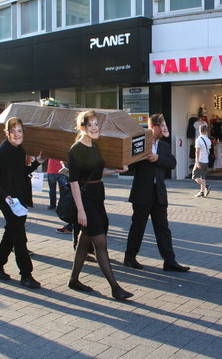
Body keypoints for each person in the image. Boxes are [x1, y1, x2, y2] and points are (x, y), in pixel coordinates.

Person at [66, 110, 133, 300]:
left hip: (98, 199)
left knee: (84, 241)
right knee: (100, 243)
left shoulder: (94, 146)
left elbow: (96, 174)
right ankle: (115, 288)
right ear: (82, 128)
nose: (95, 128)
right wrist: (80, 210)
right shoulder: (76, 150)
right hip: (86, 201)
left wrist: (116, 170)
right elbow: (74, 182)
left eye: (96, 124)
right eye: (90, 125)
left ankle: (73, 280)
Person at [124, 113, 190, 272]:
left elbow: (172, 163)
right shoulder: (140, 142)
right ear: (154, 127)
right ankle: (130, 258)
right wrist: (142, 157)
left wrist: (158, 157)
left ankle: (170, 261)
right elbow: (130, 165)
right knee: (138, 227)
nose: (165, 129)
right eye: (162, 126)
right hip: (142, 193)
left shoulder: (164, 146)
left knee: (163, 228)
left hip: (159, 193)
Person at [0, 117, 45, 289]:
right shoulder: (3, 151)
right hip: (9, 201)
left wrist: (36, 163)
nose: (17, 134)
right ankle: (26, 275)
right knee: (19, 237)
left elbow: (21, 173)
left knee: (11, 234)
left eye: (20, 131)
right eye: (13, 131)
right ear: (7, 133)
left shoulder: (19, 150)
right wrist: (6, 196)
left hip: (19, 200)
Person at [192, 124, 212, 197]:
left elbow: (197, 151)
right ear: (206, 131)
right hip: (206, 160)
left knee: (194, 175)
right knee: (202, 177)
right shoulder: (208, 140)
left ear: (199, 130)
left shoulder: (198, 140)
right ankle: (202, 192)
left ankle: (206, 186)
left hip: (200, 160)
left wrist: (197, 162)